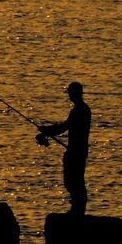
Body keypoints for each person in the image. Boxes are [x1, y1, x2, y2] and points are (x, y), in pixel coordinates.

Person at [37, 82, 91, 216]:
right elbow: (65, 126)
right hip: (78, 150)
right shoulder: (83, 109)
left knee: (74, 182)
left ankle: (77, 211)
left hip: (75, 152)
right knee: (74, 182)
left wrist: (46, 131)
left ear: (76, 94)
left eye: (71, 93)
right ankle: (77, 209)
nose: (70, 96)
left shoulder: (79, 110)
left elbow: (64, 127)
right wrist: (47, 131)